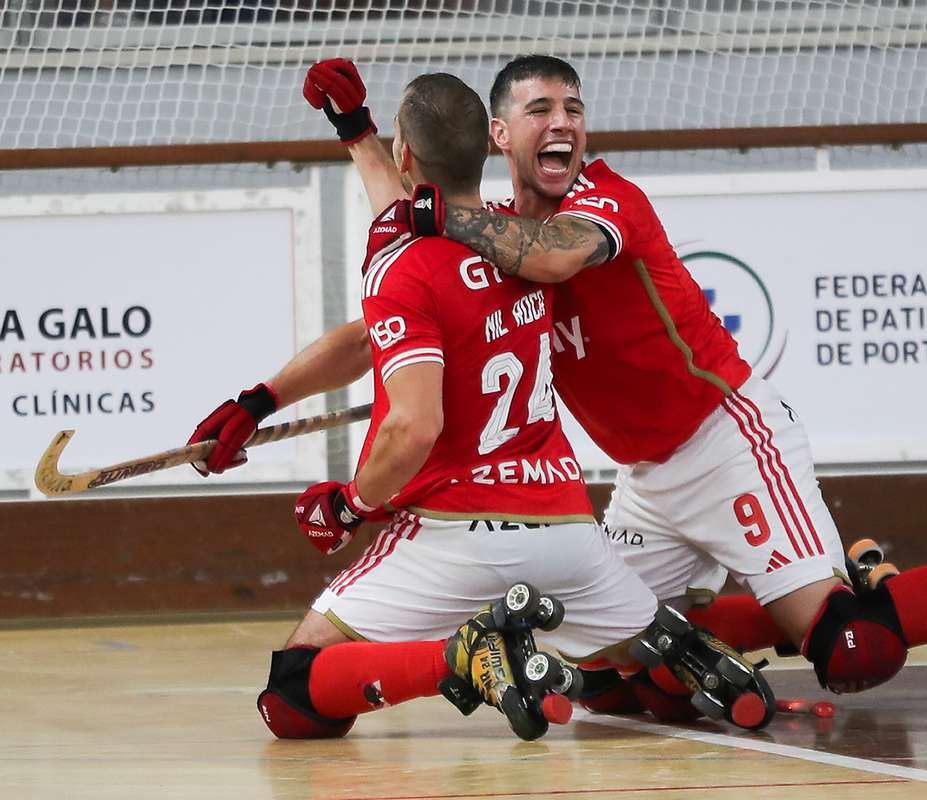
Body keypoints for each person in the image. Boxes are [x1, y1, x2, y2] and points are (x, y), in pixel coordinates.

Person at [197, 57, 927, 725]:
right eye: (538, 109)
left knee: (854, 648)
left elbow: (552, 257)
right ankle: (803, 587)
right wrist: (359, 138)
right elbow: (391, 284)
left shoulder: (600, 202)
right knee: (620, 676)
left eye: (572, 107)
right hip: (644, 478)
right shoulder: (476, 227)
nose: (561, 122)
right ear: (499, 134)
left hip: (728, 440)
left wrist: (411, 195)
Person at [215, 72, 773, 743]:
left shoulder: (401, 264)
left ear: (405, 155)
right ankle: (679, 652)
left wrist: (350, 505)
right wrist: (354, 130)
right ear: (487, 147)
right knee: (649, 684)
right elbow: (386, 304)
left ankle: (461, 654)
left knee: (293, 696)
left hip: (454, 534)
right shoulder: (520, 242)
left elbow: (413, 425)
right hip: (569, 535)